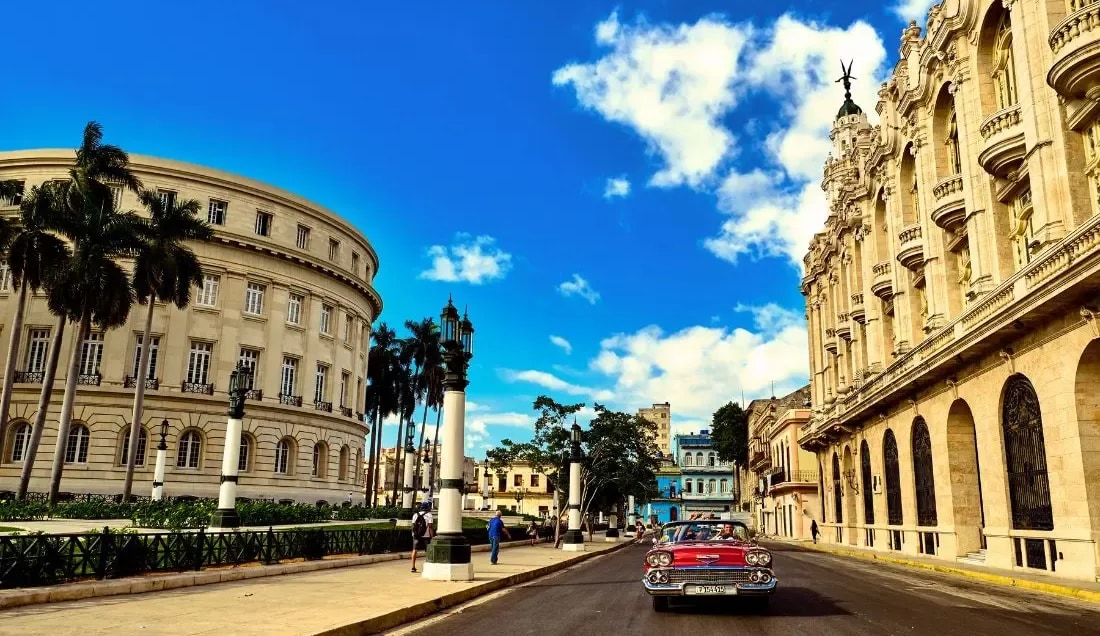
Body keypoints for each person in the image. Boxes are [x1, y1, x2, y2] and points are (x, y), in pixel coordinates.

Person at [409, 502, 434, 573]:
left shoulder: (415, 515)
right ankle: (428, 566)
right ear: (427, 507)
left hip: (416, 535)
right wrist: (432, 536)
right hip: (426, 536)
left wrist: (414, 534)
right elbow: (430, 527)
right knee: (428, 551)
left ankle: (413, 567)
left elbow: (413, 526)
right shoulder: (429, 515)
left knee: (414, 550)